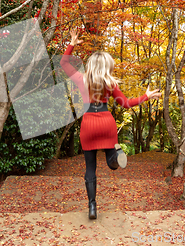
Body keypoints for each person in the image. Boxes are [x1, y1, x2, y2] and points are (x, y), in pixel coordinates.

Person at [60, 28, 161, 220]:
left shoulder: (82, 79)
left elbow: (64, 63)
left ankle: (92, 207)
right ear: (107, 66)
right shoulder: (110, 83)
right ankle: (114, 159)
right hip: (106, 123)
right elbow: (126, 104)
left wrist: (72, 43)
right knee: (110, 157)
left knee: (90, 168)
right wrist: (146, 96)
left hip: (89, 124)